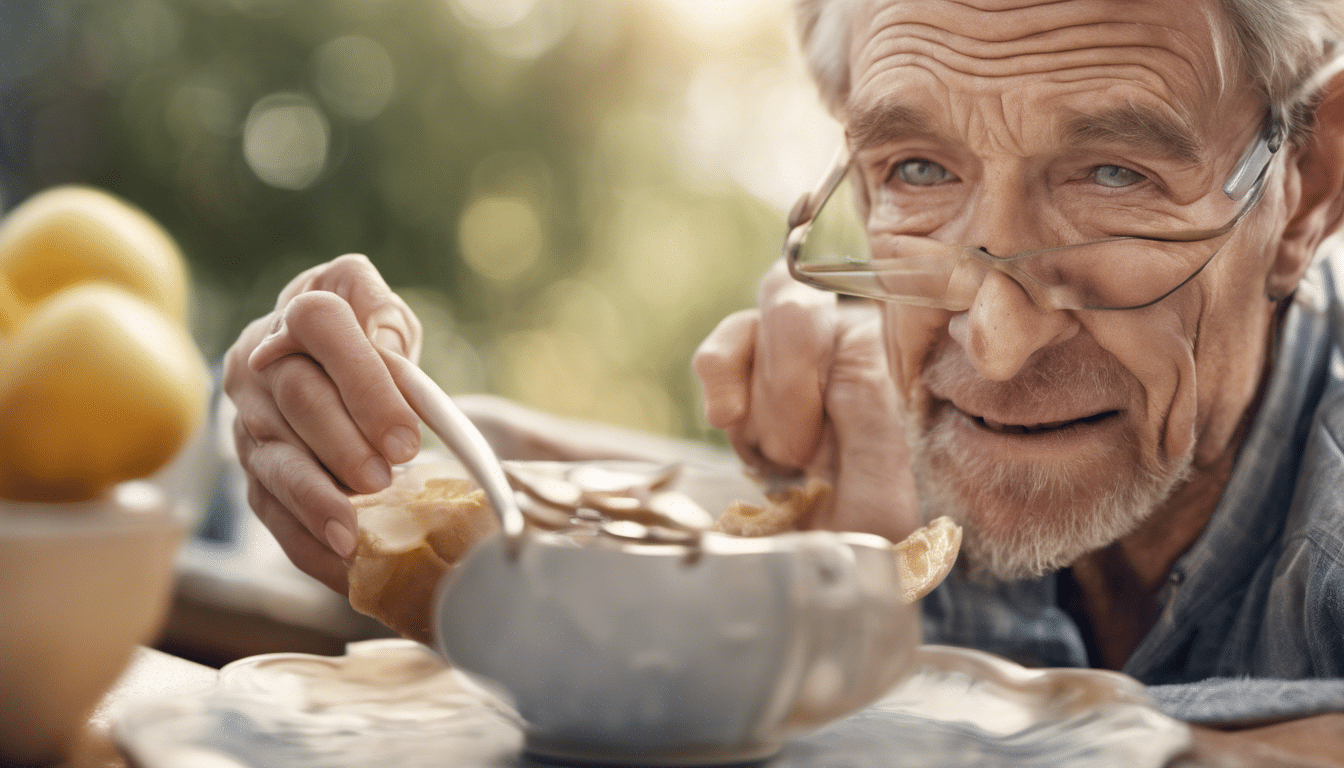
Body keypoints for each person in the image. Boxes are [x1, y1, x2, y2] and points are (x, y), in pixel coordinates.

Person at [223, 0, 1344, 760]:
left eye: (1115, 174)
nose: (997, 340)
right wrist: (394, 477)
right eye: (916, 169)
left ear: (1309, 187)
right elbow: (658, 531)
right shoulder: (897, 485)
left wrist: (864, 685)